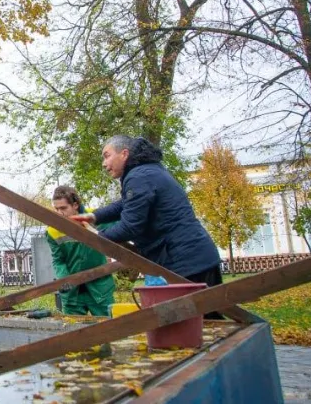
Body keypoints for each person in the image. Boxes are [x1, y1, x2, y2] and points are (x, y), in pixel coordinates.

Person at [71, 135, 224, 317]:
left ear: (124, 154)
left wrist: (97, 236)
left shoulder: (139, 177)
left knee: (198, 323)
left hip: (186, 262)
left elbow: (130, 227)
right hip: (195, 257)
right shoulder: (146, 172)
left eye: (107, 155)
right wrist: (95, 216)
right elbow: (124, 204)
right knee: (209, 321)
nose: (104, 163)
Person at [47, 185, 115, 316]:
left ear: (75, 205)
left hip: (100, 287)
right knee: (73, 330)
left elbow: (122, 227)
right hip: (73, 293)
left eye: (63, 208)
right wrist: (65, 281)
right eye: (56, 209)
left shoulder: (96, 218)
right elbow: (58, 260)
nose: (60, 213)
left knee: (110, 330)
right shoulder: (52, 231)